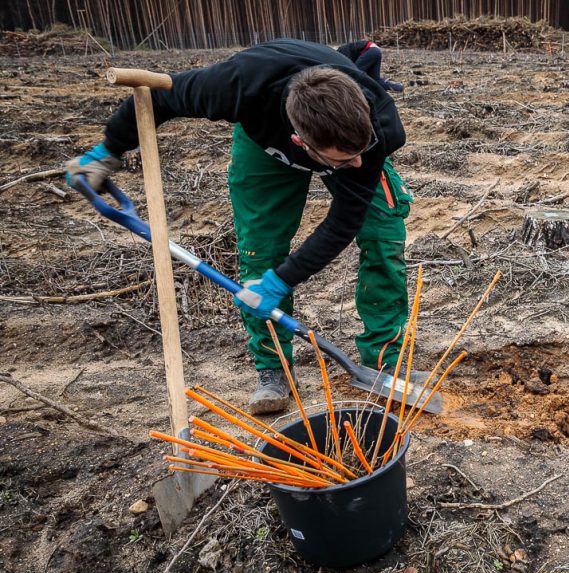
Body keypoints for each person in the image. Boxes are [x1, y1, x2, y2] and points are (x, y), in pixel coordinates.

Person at [65, 38, 412, 414]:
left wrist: (284, 280)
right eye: (345, 159)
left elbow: (345, 219)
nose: (358, 164)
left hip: (345, 133)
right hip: (264, 146)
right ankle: (274, 369)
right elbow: (159, 97)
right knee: (260, 252)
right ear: (300, 141)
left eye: (359, 153)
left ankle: (384, 364)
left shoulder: (379, 128)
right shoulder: (236, 84)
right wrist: (110, 149)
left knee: (383, 236)